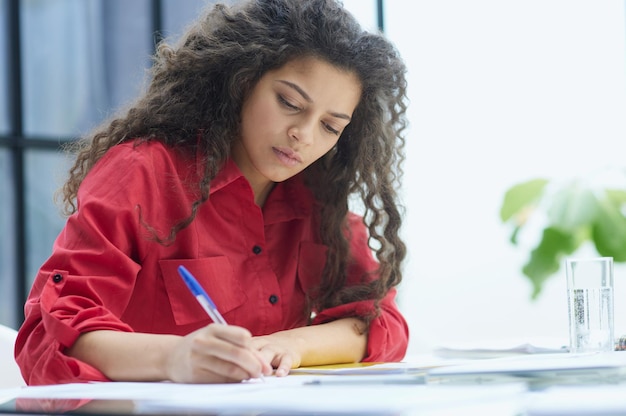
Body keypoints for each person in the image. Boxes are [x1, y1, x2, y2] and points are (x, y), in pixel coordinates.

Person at [15, 0, 409, 385]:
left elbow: (381, 321)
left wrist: (291, 344)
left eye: (330, 126)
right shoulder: (144, 174)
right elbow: (48, 336)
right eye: (289, 103)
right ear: (242, 80)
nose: (303, 135)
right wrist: (175, 359)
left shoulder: (317, 202)